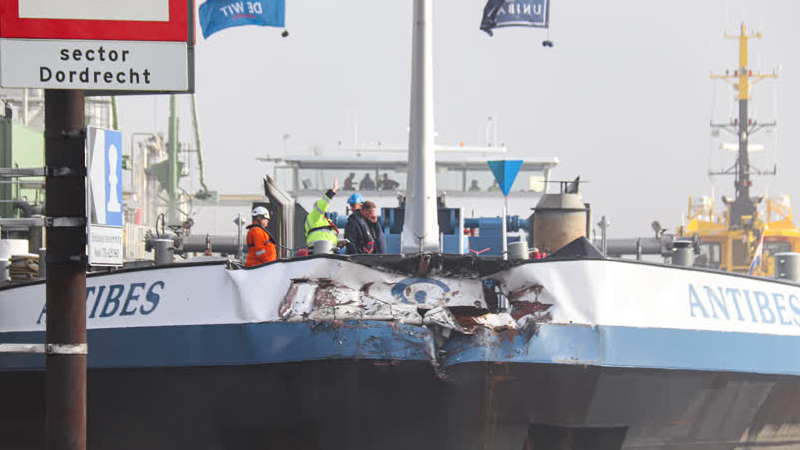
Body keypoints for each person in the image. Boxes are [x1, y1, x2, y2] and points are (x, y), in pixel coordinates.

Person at [304, 178, 340, 253]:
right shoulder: (314, 216)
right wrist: (333, 191)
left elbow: (326, 234)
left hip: (329, 248)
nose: (326, 210)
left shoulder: (325, 221)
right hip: (318, 249)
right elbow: (323, 204)